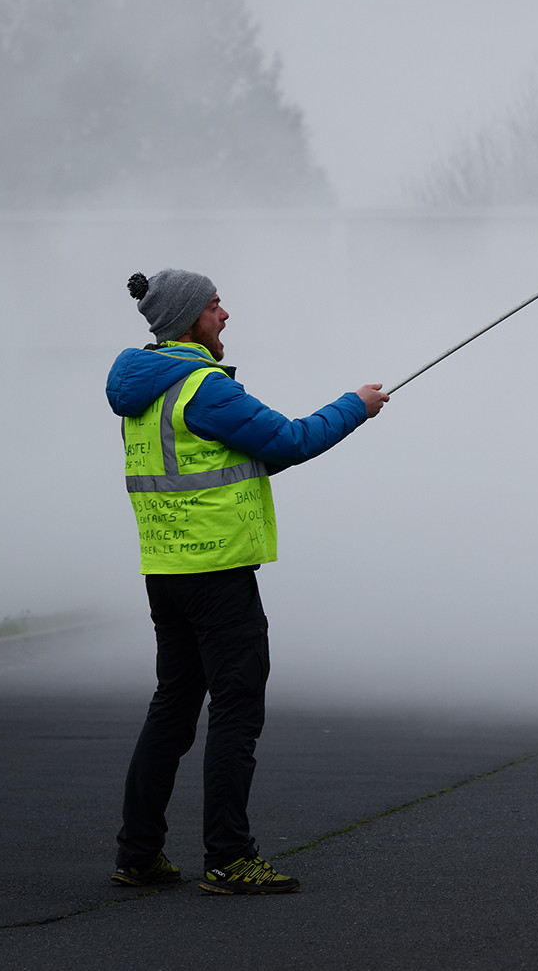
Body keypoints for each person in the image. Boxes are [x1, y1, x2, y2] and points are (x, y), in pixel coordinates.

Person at [106, 268, 387, 895]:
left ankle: (139, 853)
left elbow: (231, 459)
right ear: (189, 319)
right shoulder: (202, 387)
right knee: (236, 714)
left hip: (166, 571)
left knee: (172, 709)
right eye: (214, 306)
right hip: (219, 576)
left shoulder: (142, 389)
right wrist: (357, 406)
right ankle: (231, 859)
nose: (225, 315)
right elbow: (291, 440)